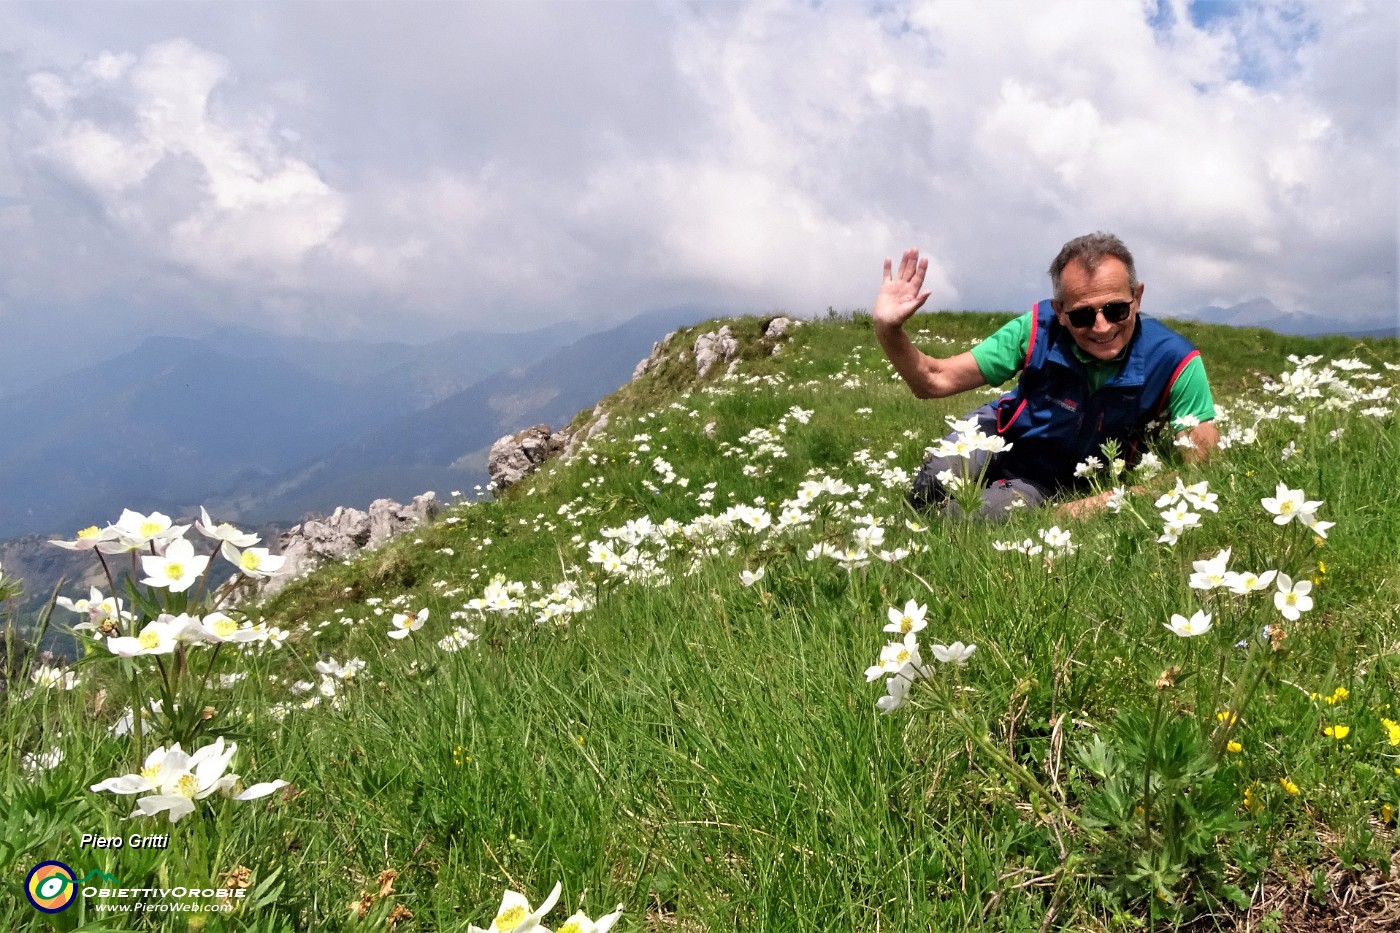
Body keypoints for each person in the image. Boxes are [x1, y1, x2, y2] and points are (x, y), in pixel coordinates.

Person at [873, 232, 1219, 519]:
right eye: (1082, 315)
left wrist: (1090, 505)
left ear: (1137, 297)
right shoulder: (1035, 329)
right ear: (1060, 312)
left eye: (1116, 310)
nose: (1102, 327)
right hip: (998, 429)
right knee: (928, 491)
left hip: (1046, 479)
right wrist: (889, 330)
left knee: (966, 518)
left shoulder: (1176, 361)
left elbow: (1199, 469)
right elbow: (933, 380)